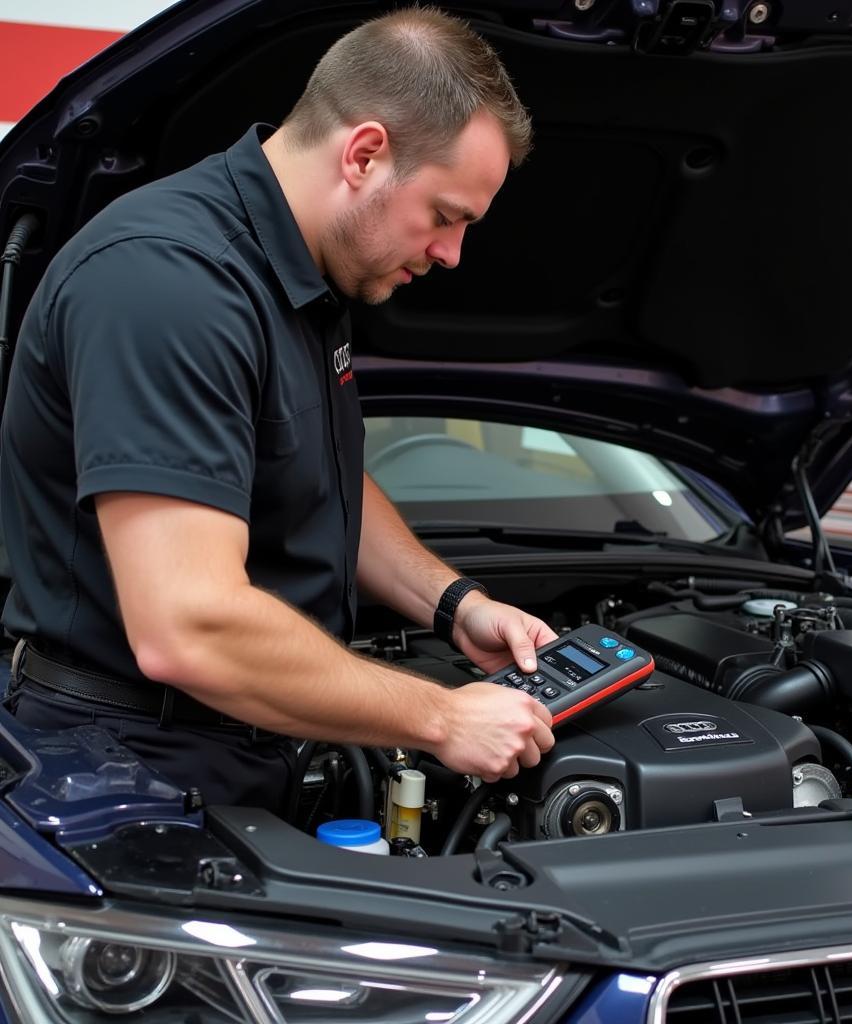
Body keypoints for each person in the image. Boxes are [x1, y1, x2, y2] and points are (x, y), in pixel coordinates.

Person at [0, 7, 556, 813]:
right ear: (364, 153)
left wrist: (454, 602)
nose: (450, 254)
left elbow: (317, 473)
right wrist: (440, 715)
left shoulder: (299, 273)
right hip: (120, 778)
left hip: (247, 744)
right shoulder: (171, 286)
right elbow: (189, 625)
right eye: (445, 215)